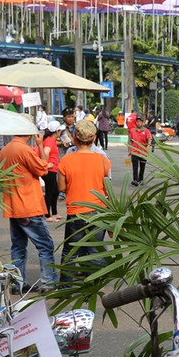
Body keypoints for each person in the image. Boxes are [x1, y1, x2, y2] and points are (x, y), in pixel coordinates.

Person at [0, 126, 58, 291]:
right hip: (28, 205)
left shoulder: (5, 150)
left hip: (13, 206)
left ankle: (17, 283)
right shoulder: (24, 150)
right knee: (45, 246)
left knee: (18, 246)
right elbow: (42, 169)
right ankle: (48, 282)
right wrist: (40, 145)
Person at [58, 119, 110, 282]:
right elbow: (106, 189)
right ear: (94, 138)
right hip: (98, 212)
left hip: (76, 212)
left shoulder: (67, 160)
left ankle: (65, 289)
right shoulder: (102, 160)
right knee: (94, 251)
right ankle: (91, 288)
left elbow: (61, 187)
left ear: (74, 138)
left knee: (70, 252)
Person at [41, 121, 65, 223]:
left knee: (55, 191)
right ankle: (47, 215)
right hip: (49, 170)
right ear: (57, 131)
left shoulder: (51, 140)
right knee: (50, 192)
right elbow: (46, 152)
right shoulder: (50, 141)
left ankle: (54, 213)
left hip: (52, 170)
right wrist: (46, 165)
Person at [127, 114, 151, 186]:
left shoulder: (146, 131)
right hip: (135, 151)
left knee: (142, 166)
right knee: (135, 166)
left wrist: (148, 147)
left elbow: (149, 139)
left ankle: (141, 179)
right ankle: (135, 180)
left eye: (140, 121)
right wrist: (130, 150)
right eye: (137, 121)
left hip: (143, 152)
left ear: (142, 122)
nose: (138, 123)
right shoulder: (132, 131)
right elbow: (131, 141)